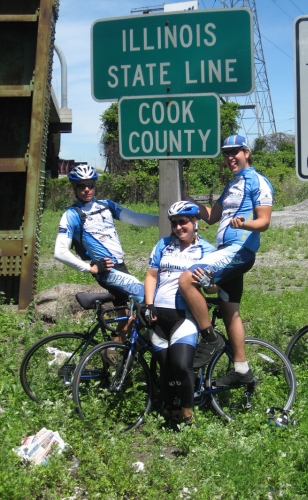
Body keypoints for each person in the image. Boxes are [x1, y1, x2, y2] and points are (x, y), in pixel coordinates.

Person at [179, 135, 273, 387]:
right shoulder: (232, 185)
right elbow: (210, 216)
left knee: (187, 279)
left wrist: (244, 223)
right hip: (227, 251)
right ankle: (241, 368)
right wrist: (184, 195)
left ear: (247, 152)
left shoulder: (258, 181)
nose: (230, 157)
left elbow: (264, 221)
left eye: (235, 152)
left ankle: (210, 338)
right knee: (229, 311)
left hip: (239, 250)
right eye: (226, 154)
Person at [54, 164, 158, 338]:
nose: (87, 189)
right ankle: (119, 352)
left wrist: (167, 220)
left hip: (121, 267)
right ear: (74, 188)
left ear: (95, 185)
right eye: (81, 186)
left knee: (126, 316)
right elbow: (59, 251)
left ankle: (114, 355)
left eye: (90, 185)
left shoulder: (107, 205)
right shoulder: (72, 214)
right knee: (149, 299)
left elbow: (136, 218)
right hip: (107, 270)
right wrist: (90, 268)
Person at [144, 201, 216, 427]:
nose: (178, 227)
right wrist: (148, 304)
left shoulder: (208, 250)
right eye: (174, 223)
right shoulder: (163, 245)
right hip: (158, 317)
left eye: (183, 222)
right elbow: (151, 276)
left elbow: (214, 288)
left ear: (195, 222)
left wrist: (208, 283)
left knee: (182, 366)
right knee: (166, 371)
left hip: (183, 317)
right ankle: (173, 414)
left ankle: (188, 416)